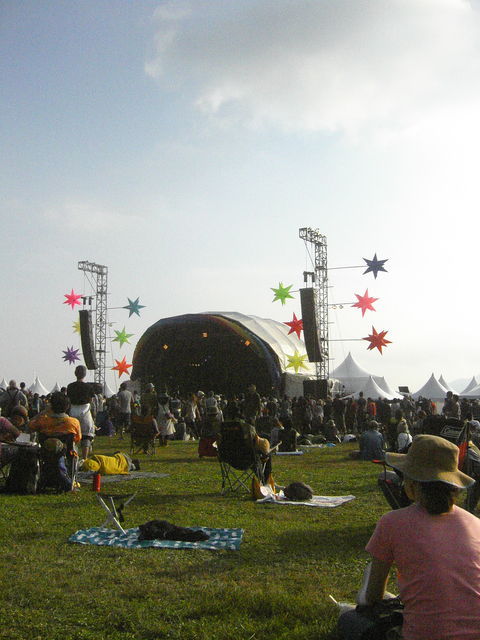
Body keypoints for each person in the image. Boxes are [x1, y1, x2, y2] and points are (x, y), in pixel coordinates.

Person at [338, 435, 480, 640]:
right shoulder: (475, 524)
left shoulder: (392, 522)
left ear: (412, 484)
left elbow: (373, 596)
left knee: (348, 619)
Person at [66, 365, 95, 459]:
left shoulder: (70, 386)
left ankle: (73, 457)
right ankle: (84, 458)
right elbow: (91, 401)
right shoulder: (89, 387)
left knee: (72, 435)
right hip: (85, 412)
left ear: (75, 373)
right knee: (86, 436)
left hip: (73, 412)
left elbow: (68, 400)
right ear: (85, 374)